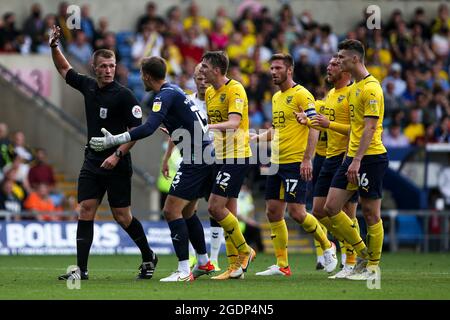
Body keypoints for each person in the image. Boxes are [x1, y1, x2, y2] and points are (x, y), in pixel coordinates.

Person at [90, 56, 215, 282]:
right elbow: (185, 124)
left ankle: (184, 269)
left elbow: (148, 127)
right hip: (204, 154)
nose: (141, 78)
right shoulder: (175, 90)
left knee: (171, 210)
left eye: (141, 75)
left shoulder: (164, 95)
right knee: (187, 212)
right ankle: (204, 261)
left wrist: (114, 140)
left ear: (147, 76)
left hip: (197, 158)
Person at [49, 25, 158, 281]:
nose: (109, 70)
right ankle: (81, 270)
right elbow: (64, 69)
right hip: (92, 160)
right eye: (104, 66)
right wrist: (54, 46)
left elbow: (136, 131)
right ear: (94, 67)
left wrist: (117, 155)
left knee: (123, 216)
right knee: (86, 209)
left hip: (117, 162)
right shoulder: (88, 86)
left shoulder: (125, 95)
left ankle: (148, 255)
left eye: (112, 65)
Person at [251, 53, 337, 277]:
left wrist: (307, 158)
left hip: (295, 162)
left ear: (289, 70)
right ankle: (282, 265)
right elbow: (278, 130)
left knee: (297, 212)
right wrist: (256, 138)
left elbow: (315, 126)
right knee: (272, 212)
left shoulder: (302, 94)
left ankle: (328, 245)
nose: (273, 72)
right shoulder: (277, 97)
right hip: (277, 162)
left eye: (278, 68)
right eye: (271, 68)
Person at [323, 39, 388, 280]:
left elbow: (370, 128)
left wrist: (357, 160)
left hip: (370, 158)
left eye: (341, 57)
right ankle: (362, 252)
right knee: (330, 207)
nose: (338, 61)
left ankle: (373, 267)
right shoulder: (354, 88)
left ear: (355, 59)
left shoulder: (372, 88)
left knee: (371, 213)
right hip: (352, 157)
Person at [297, 55, 360, 279]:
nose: (328, 67)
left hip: (346, 157)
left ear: (345, 71)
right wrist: (308, 121)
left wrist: (328, 124)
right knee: (319, 211)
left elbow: (358, 130)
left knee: (348, 213)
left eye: (334, 64)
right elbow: (322, 123)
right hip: (328, 158)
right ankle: (350, 250)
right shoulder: (331, 95)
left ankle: (352, 261)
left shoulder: (353, 94)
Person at [161, 64, 224, 271]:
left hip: (217, 157)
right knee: (190, 210)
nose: (203, 81)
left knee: (217, 208)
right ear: (194, 79)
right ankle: (202, 260)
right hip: (196, 158)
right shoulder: (187, 100)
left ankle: (219, 257)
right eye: (199, 77)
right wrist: (168, 155)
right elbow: (177, 130)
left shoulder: (220, 98)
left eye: (205, 77)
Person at [200, 51, 255, 280]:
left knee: (215, 207)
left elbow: (233, 123)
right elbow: (214, 126)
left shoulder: (235, 89)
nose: (200, 70)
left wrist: (209, 128)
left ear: (216, 70)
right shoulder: (210, 92)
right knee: (229, 212)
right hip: (220, 156)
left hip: (237, 156)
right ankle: (235, 268)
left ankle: (246, 250)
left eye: (204, 67)